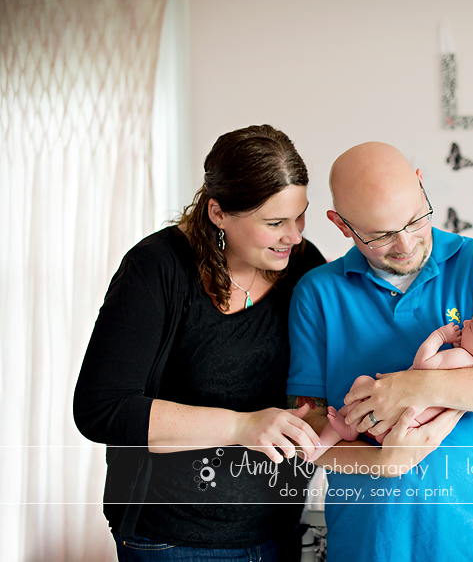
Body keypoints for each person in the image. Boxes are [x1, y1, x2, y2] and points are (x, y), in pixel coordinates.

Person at [286, 142, 473, 561]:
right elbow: (309, 423)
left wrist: (417, 387)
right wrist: (382, 463)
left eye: (415, 219)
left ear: (422, 186)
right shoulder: (317, 293)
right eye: (381, 234)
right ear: (341, 225)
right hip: (368, 547)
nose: (405, 243)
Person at [74, 125, 328, 560]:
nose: (295, 235)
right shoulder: (157, 268)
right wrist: (241, 426)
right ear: (217, 212)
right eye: (274, 223)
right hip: (172, 537)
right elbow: (102, 410)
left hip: (279, 524)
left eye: (300, 215)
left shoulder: (303, 266)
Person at [310, 302, 473, 458]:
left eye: (472, 327)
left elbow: (423, 367)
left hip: (394, 419)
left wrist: (440, 336)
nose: (466, 321)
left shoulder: (459, 356)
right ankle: (341, 434)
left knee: (362, 382)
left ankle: (339, 434)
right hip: (405, 430)